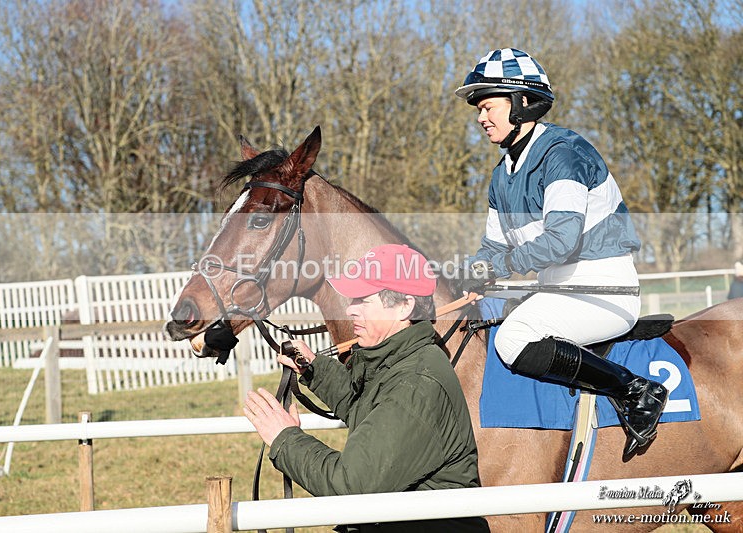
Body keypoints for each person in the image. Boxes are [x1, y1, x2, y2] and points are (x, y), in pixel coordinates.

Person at [453, 48, 668, 456]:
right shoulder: (502, 174)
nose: (481, 117)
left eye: (487, 106)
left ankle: (636, 390)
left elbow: (560, 241)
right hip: (556, 290)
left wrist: (496, 267)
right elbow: (494, 246)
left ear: (521, 103)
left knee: (514, 337)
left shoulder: (562, 154)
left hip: (602, 290)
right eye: (478, 109)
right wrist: (464, 272)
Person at [243, 244, 490, 533]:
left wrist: (285, 439)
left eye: (363, 299)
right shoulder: (402, 360)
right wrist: (313, 368)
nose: (350, 309)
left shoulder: (415, 384)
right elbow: (369, 411)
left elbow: (351, 487)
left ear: (404, 306)